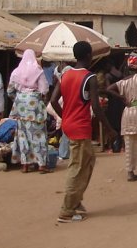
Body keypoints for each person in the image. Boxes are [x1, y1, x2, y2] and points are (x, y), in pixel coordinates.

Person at [49, 41, 117, 223]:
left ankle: (76, 201)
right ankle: (67, 210)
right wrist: (110, 129)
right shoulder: (90, 77)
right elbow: (96, 106)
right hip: (80, 127)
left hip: (70, 125)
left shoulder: (66, 75)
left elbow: (54, 100)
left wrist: (66, 116)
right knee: (78, 168)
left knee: (86, 163)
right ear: (88, 55)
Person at [107, 56, 137, 181]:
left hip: (128, 113)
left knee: (129, 144)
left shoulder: (123, 81)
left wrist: (122, 98)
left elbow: (109, 89)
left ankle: (130, 173)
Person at [7, 49, 50, 173]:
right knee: (38, 134)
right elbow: (44, 89)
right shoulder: (38, 71)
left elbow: (10, 91)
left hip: (20, 105)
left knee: (22, 135)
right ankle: (41, 164)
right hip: (34, 105)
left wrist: (19, 99)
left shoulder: (16, 71)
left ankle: (25, 165)